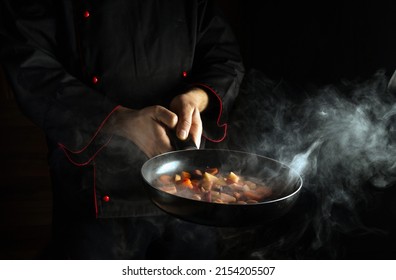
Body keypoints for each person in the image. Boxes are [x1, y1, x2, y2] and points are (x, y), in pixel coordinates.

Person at [0, 0, 244, 259]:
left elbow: (225, 58)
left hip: (188, 189)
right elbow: (28, 65)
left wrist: (197, 97)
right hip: (93, 190)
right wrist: (116, 120)